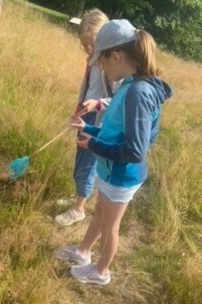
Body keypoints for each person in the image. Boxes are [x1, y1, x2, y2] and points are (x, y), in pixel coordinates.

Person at [57, 19, 173, 285]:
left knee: (111, 227)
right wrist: (89, 129)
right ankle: (84, 252)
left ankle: (101, 272)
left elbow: (134, 151)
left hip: (122, 175)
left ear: (117, 56)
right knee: (100, 210)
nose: (100, 66)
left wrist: (94, 145)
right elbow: (115, 133)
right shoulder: (129, 85)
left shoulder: (138, 92)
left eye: (102, 61)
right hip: (111, 172)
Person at [55, 9, 120, 227]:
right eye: (85, 45)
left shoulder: (111, 65)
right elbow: (88, 87)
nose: (89, 49)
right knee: (80, 162)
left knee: (86, 165)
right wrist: (79, 105)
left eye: (93, 44)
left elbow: (119, 99)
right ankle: (79, 196)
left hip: (99, 122)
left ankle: (78, 209)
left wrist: (98, 104)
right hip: (87, 115)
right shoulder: (93, 61)